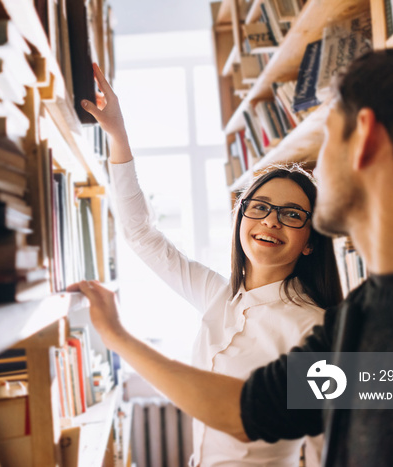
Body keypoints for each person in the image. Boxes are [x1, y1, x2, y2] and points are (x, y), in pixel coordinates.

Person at [68, 39, 393, 466]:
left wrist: (119, 337)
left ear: (365, 138)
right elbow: (253, 409)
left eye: (326, 139)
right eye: (260, 208)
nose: (317, 166)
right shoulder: (361, 320)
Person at [78, 62, 342, 466]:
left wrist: (117, 335)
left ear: (310, 242)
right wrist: (117, 134)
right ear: (241, 219)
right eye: (261, 207)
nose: (271, 220)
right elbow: (141, 235)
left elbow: (328, 447)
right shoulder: (218, 295)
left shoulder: (313, 326)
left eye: (292, 214)